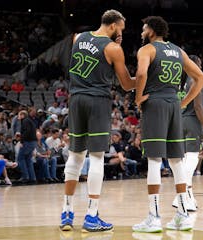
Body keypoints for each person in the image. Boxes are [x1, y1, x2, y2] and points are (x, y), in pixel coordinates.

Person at [60, 9, 135, 232]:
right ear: (113, 26)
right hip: (97, 102)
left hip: (75, 99)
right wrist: (143, 77)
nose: (121, 32)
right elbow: (126, 84)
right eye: (120, 28)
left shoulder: (77, 38)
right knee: (96, 157)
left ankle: (66, 212)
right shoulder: (113, 48)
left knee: (75, 156)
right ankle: (92, 216)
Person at [133, 16, 203, 233]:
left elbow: (141, 73)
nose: (141, 32)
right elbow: (201, 78)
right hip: (174, 104)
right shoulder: (178, 51)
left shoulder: (146, 50)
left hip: (155, 103)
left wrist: (138, 98)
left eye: (144, 28)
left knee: (154, 160)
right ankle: (182, 216)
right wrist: (182, 102)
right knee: (176, 160)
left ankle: (154, 217)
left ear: (152, 31)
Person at [171, 55, 203, 211]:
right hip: (191, 121)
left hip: (177, 122)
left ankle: (189, 197)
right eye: (200, 64)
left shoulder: (178, 81)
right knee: (193, 158)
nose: (200, 67)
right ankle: (180, 194)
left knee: (184, 160)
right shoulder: (195, 79)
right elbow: (198, 106)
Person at [16, 109, 37, 184]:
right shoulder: (30, 121)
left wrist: (22, 141)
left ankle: (25, 177)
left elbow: (26, 132)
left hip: (27, 142)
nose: (18, 116)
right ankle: (32, 178)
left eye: (19, 115)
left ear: (23, 115)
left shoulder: (25, 121)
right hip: (33, 142)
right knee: (28, 160)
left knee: (20, 158)